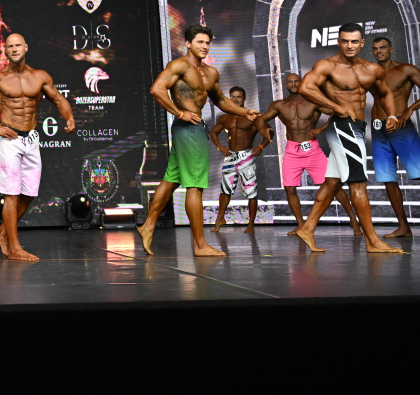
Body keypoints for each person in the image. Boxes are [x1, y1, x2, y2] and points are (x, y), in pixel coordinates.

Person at [137, 25, 258, 256]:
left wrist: (245, 112)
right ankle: (200, 245)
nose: (204, 46)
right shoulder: (179, 66)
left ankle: (148, 226)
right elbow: (157, 89)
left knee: (171, 179)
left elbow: (221, 100)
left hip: (195, 128)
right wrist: (179, 112)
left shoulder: (211, 72)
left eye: (207, 42)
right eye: (199, 42)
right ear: (188, 43)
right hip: (188, 129)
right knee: (195, 186)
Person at [293, 23, 402, 253]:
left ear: (362, 43)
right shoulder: (327, 66)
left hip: (357, 127)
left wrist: (392, 115)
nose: (349, 46)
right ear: (339, 42)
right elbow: (305, 87)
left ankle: (307, 228)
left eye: (354, 41)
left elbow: (385, 93)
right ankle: (372, 241)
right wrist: (335, 106)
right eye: (345, 41)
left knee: (333, 182)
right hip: (343, 127)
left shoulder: (371, 69)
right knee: (358, 184)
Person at [0, 33, 75, 261]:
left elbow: (58, 98)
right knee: (12, 195)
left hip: (31, 138)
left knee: (29, 194)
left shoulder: (40, 76)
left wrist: (69, 117)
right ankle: (15, 249)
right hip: (9, 139)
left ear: (26, 47)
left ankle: (2, 233)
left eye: (18, 45)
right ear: (5, 50)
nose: (14, 49)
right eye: (10, 46)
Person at [257, 72, 362, 236]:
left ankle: (353, 221)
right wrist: (263, 129)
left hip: (313, 150)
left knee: (333, 185)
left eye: (296, 81)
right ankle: (301, 225)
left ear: (301, 83)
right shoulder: (279, 105)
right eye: (290, 82)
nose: (293, 84)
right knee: (289, 188)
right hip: (292, 150)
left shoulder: (313, 102)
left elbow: (337, 111)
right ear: (285, 84)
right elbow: (261, 119)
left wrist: (320, 129)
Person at [370, 36, 420, 236]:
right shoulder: (370, 73)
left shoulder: (404, 70)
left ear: (391, 49)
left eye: (383, 48)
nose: (379, 51)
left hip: (401, 127)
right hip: (378, 129)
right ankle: (404, 227)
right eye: (375, 49)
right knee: (388, 179)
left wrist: (410, 109)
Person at [210, 87, 264, 233]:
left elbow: (267, 132)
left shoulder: (252, 116)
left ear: (244, 99)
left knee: (251, 192)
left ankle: (251, 225)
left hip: (246, 156)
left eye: (238, 97)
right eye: (232, 97)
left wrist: (261, 146)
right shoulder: (225, 118)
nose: (235, 99)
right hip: (230, 157)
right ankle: (220, 219)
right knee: (225, 190)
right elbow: (213, 132)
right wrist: (220, 146)